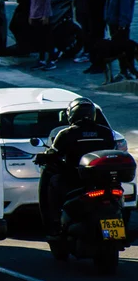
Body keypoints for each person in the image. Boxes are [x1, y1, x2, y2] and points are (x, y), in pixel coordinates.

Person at [43, 97, 116, 235]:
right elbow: (113, 148)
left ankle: (55, 223)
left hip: (75, 179)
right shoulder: (105, 132)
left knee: (53, 182)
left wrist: (44, 156)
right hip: (103, 180)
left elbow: (54, 153)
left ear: (71, 114)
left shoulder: (66, 133)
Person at [97, 0, 137, 82]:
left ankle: (128, 70)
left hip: (121, 21)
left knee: (124, 48)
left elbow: (126, 3)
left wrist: (123, 22)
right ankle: (124, 71)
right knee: (116, 47)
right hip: (112, 20)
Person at [70, 0, 106, 72]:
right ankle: (93, 62)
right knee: (88, 40)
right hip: (84, 15)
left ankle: (99, 64)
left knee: (97, 40)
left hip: (96, 16)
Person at [27, 0, 57, 71]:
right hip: (34, 13)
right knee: (38, 39)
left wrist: (45, 15)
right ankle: (41, 59)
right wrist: (30, 14)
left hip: (43, 14)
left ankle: (51, 60)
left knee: (46, 39)